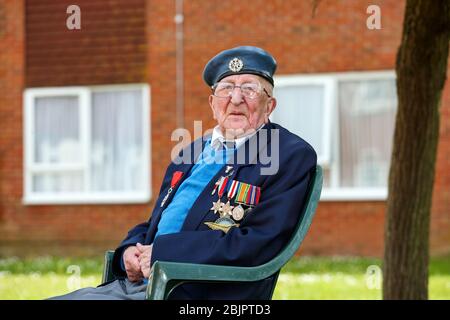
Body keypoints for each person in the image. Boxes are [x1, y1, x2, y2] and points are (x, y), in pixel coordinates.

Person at [50, 45, 317, 300]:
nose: (236, 99)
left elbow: (258, 242)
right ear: (213, 103)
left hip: (196, 291)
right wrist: (129, 251)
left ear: (269, 105)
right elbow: (156, 222)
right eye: (226, 89)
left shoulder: (287, 154)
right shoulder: (190, 152)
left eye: (250, 89)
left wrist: (162, 253)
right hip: (139, 284)